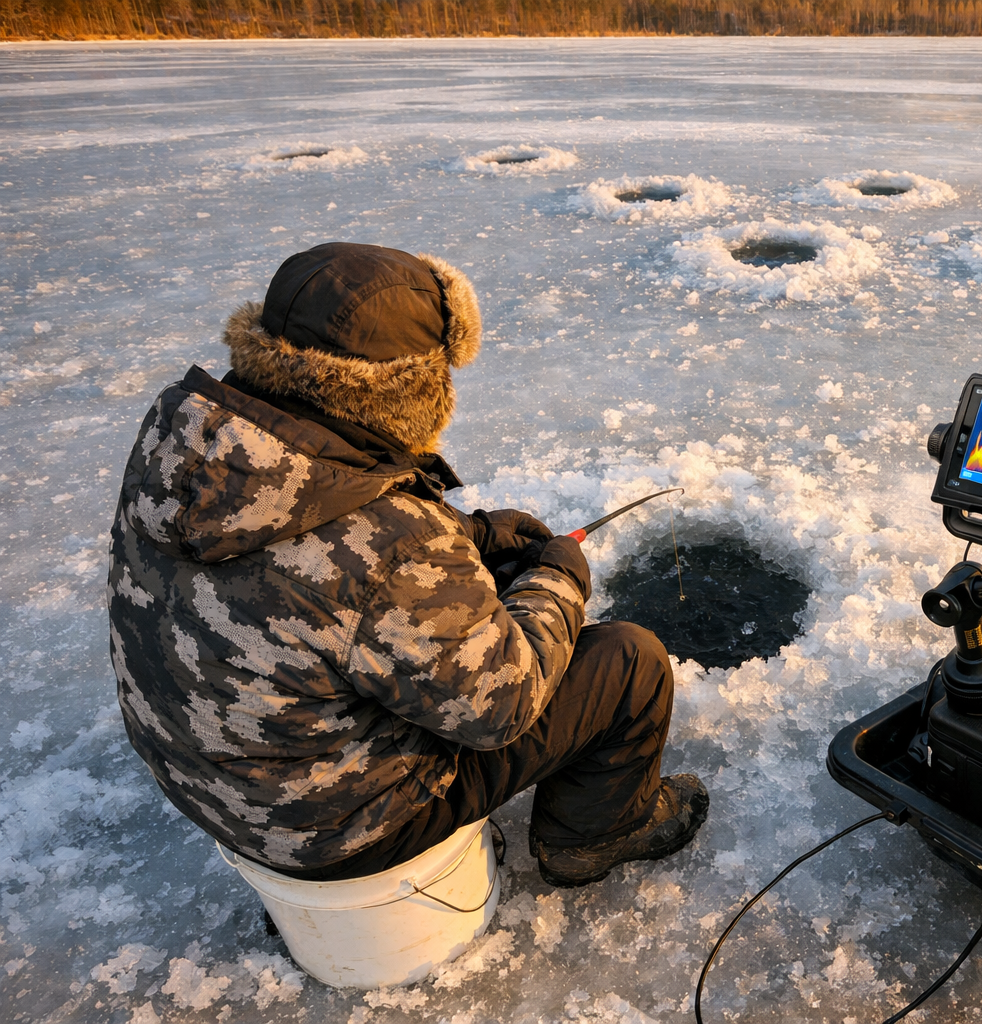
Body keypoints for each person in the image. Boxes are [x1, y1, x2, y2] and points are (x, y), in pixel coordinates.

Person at [107, 242, 707, 887]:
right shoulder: (392, 544)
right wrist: (557, 577)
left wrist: (467, 535)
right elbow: (502, 705)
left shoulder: (186, 447)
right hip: (334, 830)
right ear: (412, 388)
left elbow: (314, 565)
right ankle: (596, 837)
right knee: (629, 663)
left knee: (476, 600)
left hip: (212, 781)